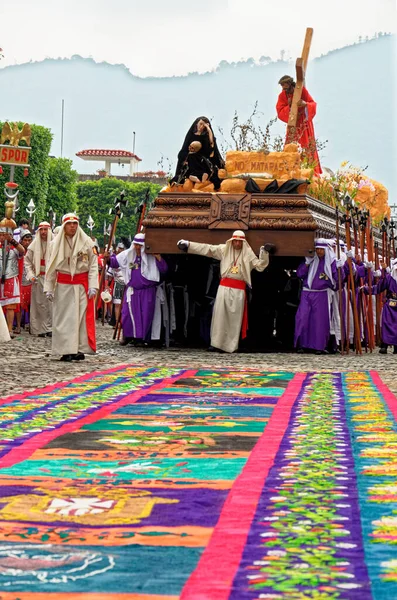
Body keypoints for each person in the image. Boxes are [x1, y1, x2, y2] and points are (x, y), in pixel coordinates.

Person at [177, 231, 270, 353]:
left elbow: (260, 266)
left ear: (243, 242)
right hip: (224, 288)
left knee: (234, 319)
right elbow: (207, 249)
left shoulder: (247, 253)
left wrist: (264, 252)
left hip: (239, 291)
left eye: (239, 241)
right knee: (219, 316)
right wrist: (188, 245)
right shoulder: (224, 249)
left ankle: (231, 346)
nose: (237, 243)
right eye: (235, 241)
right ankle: (216, 344)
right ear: (231, 240)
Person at [44, 213, 98, 361]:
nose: (72, 226)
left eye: (75, 223)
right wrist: (49, 287)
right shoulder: (55, 244)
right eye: (69, 223)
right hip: (63, 285)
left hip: (81, 285)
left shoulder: (87, 242)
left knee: (80, 319)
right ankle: (66, 350)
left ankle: (79, 349)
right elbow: (51, 266)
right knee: (65, 319)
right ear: (64, 226)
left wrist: (93, 285)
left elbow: (93, 266)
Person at [105, 233, 167, 346]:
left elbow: (164, 269)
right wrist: (108, 259)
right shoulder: (128, 255)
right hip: (133, 290)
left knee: (146, 314)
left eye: (140, 245)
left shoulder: (152, 257)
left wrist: (158, 257)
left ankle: (142, 338)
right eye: (136, 245)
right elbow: (115, 262)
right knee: (127, 314)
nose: (138, 248)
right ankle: (129, 336)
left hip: (147, 291)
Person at [294, 238, 339, 354]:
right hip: (307, 292)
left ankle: (319, 346)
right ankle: (302, 344)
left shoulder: (331, 261)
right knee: (303, 317)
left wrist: (342, 269)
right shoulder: (309, 260)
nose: (319, 251)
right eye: (317, 249)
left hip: (321, 293)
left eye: (321, 249)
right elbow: (299, 274)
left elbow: (336, 279)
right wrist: (307, 264)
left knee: (318, 321)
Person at [276, 75, 322, 175]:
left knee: (306, 145)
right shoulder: (282, 95)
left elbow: (312, 104)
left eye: (285, 87)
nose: (284, 90)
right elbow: (279, 111)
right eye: (282, 87)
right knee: (291, 146)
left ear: (290, 84)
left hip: (303, 123)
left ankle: (311, 170)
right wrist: (289, 106)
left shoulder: (301, 91)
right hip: (293, 125)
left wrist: (305, 104)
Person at [171, 116, 225, 189]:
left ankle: (202, 176)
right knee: (188, 164)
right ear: (196, 124)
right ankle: (192, 176)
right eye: (200, 124)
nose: (201, 126)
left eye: (204, 125)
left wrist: (209, 130)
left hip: (202, 161)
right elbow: (184, 150)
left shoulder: (206, 137)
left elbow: (211, 146)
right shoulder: (191, 136)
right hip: (191, 160)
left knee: (207, 169)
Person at [24, 221, 53, 337]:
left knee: (51, 305)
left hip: (51, 278)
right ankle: (39, 329)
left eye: (46, 229)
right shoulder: (34, 244)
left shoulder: (55, 244)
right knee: (39, 304)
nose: (44, 232)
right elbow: (27, 262)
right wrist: (30, 275)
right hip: (38, 277)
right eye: (41, 230)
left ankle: (50, 328)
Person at [363, 258, 397, 354]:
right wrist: (366, 289)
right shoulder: (389, 278)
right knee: (387, 324)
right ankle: (384, 345)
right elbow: (379, 288)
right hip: (390, 305)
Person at [0, 217, 25, 338]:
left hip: (10, 277)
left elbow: (22, 251)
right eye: (1, 235)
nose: (3, 237)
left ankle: (9, 329)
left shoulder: (14, 249)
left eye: (5, 235)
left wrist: (12, 241)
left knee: (10, 306)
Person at [16, 230, 33, 333]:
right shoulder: (18, 251)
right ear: (21, 241)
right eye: (25, 240)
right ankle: (18, 326)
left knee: (32, 305)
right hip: (20, 280)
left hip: (30, 280)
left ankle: (32, 325)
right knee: (19, 305)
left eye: (29, 240)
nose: (27, 242)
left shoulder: (33, 251)